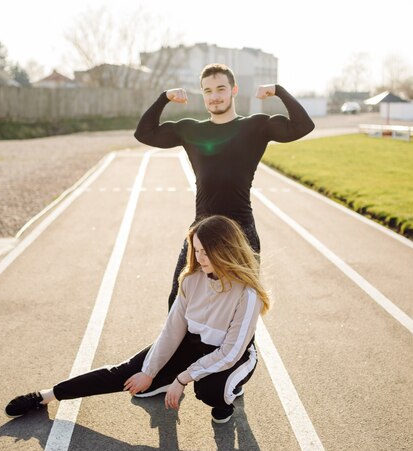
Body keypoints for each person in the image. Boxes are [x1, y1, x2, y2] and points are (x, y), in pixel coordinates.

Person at [5, 215, 270, 424]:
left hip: (231, 357)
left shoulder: (247, 294)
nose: (200, 259)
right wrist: (149, 371)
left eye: (206, 252)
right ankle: (46, 396)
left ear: (225, 250)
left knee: (209, 390)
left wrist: (182, 379)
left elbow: (230, 352)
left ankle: (228, 394)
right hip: (192, 346)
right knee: (130, 376)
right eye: (197, 251)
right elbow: (172, 332)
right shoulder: (191, 280)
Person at [133, 63, 314, 309]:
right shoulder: (191, 130)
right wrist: (164, 98)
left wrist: (278, 91)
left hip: (241, 231)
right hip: (201, 230)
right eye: (208, 91)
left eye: (220, 89)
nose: (215, 96)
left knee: (244, 306)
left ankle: (244, 348)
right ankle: (182, 348)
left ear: (234, 90)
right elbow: (144, 133)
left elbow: (303, 126)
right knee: (178, 301)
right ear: (203, 95)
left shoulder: (255, 127)